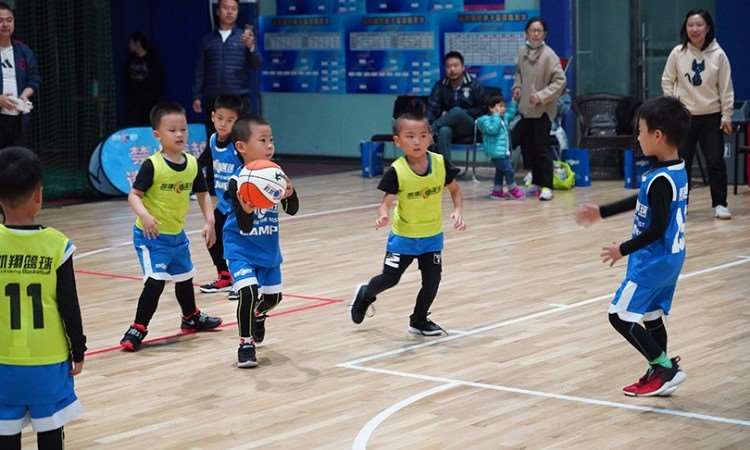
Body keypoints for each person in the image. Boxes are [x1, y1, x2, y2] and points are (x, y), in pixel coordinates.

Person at [575, 96, 689, 397]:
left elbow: (657, 229)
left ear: (657, 135)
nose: (637, 137)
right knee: (651, 316)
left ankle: (664, 367)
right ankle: (659, 372)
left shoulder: (661, 179)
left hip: (652, 261)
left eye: (640, 131)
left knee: (619, 315)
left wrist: (622, 249)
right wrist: (602, 212)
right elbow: (642, 200)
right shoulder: (675, 170)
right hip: (671, 258)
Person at [0, 147, 86, 450]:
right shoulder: (57, 245)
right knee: (50, 432)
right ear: (39, 195)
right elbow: (69, 305)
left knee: (5, 433)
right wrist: (78, 348)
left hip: (3, 360)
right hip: (47, 360)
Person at [350, 113, 466, 336]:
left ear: (430, 138)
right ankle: (365, 293)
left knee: (432, 281)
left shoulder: (440, 163)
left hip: (432, 237)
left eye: (422, 135)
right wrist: (383, 215)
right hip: (403, 238)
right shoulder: (397, 171)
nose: (417, 141)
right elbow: (386, 202)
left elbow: (455, 190)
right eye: (410, 136)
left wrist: (458, 210)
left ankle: (419, 320)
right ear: (398, 141)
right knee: (390, 279)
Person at [120, 102, 222, 351]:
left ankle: (191, 317)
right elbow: (134, 195)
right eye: (172, 130)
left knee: (185, 278)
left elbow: (203, 193)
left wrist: (209, 221)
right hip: (151, 236)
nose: (179, 135)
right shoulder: (152, 165)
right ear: (157, 134)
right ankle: (138, 327)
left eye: (183, 129)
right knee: (156, 281)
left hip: (176, 235)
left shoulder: (192, 164)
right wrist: (145, 215)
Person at [222, 115, 299, 368]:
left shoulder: (276, 174)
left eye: (271, 140)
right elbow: (244, 226)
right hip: (240, 248)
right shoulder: (236, 182)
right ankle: (246, 344)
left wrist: (290, 194)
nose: (269, 145)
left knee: (273, 299)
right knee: (247, 292)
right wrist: (246, 211)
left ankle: (258, 314)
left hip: (268, 250)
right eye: (263, 140)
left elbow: (292, 210)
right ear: (242, 147)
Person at [661, 8, 734, 220]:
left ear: (707, 28)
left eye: (699, 25)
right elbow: (667, 80)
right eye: (690, 25)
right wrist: (673, 105)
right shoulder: (677, 53)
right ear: (685, 28)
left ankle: (720, 204)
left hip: (711, 116)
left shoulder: (719, 55)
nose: (694, 29)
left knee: (715, 161)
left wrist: (726, 115)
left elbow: (726, 88)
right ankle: (680, 204)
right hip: (684, 117)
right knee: (681, 163)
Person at [193, 0, 262, 194]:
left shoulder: (243, 37)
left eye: (234, 9)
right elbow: (200, 69)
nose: (229, 12)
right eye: (226, 8)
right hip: (214, 98)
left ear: (238, 12)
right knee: (214, 140)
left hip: (238, 98)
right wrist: (197, 95)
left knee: (239, 140)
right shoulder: (208, 39)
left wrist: (251, 47)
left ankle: (242, 181)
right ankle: (211, 184)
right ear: (218, 11)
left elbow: (257, 64)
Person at [511, 16, 566, 201]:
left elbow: (560, 81)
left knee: (542, 148)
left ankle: (547, 186)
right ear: (526, 33)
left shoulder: (549, 55)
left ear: (544, 34)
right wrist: (517, 87)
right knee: (528, 146)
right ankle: (536, 182)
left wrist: (542, 96)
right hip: (525, 108)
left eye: (539, 31)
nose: (535, 34)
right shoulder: (522, 52)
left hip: (542, 110)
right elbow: (518, 73)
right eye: (532, 30)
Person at [198, 95, 244, 300]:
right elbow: (202, 161)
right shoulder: (212, 140)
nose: (223, 124)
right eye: (220, 118)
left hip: (241, 205)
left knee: (235, 243)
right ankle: (224, 275)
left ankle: (243, 281)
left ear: (237, 122)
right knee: (211, 236)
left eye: (230, 120)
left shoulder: (238, 145)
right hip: (224, 204)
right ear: (212, 117)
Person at [427, 51, 485, 168]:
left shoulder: (474, 85)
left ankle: (429, 132)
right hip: (448, 127)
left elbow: (483, 109)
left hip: (470, 126)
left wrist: (463, 113)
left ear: (463, 67)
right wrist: (430, 121)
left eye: (455, 66)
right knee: (444, 130)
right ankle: (447, 170)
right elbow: (432, 108)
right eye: (448, 67)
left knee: (457, 111)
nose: (452, 69)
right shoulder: (440, 85)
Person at [0, 2, 39, 148]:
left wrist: (24, 95)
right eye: (0, 21)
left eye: (9, 20)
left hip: (18, 119)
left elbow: (34, 78)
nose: (5, 24)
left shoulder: (24, 50)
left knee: (17, 157)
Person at [477, 95, 523, 200]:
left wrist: (514, 102)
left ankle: (497, 192)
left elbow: (511, 114)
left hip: (503, 152)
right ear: (491, 108)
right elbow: (492, 130)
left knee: (500, 172)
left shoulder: (503, 118)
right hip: (496, 153)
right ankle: (513, 189)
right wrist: (496, 116)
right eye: (500, 106)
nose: (504, 109)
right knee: (508, 170)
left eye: (504, 106)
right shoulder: (486, 120)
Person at [124, 32, 164, 126]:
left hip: (149, 102)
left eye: (131, 42)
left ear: (138, 43)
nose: (129, 45)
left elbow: (157, 80)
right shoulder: (130, 60)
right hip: (134, 102)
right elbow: (127, 80)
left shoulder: (152, 60)